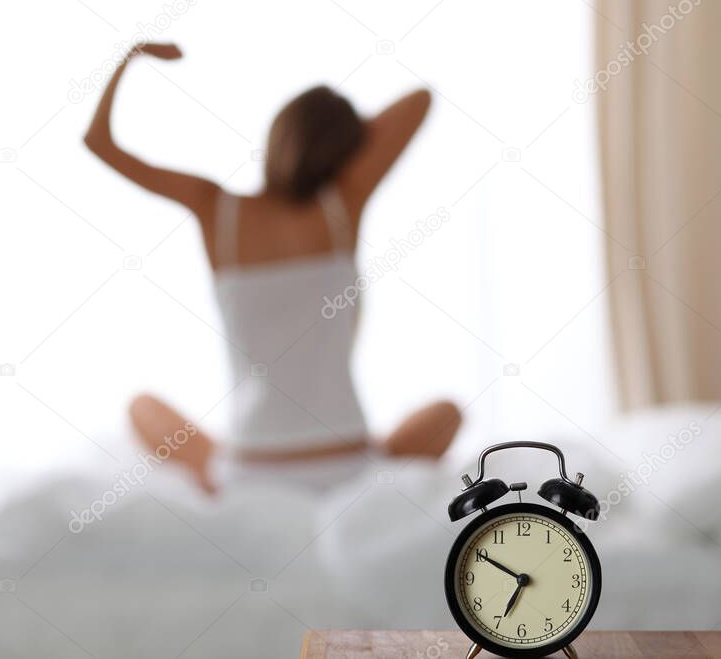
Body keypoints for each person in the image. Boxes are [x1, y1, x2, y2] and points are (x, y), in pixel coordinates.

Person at [85, 42, 461, 493]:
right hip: (347, 462)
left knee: (140, 407)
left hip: (250, 467)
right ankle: (364, 454)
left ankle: (213, 474)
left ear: (278, 136)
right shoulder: (343, 201)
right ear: (347, 153)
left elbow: (99, 144)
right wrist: (350, 135)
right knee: (449, 412)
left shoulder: (215, 209)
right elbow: (420, 100)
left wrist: (131, 56)